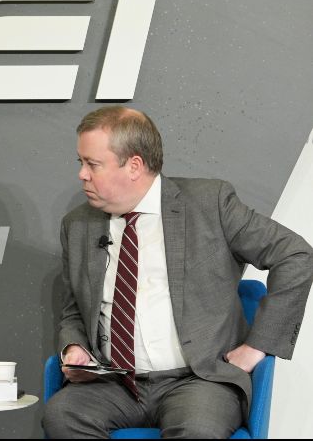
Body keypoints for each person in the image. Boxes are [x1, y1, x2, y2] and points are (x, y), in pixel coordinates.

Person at [43, 106, 313, 438]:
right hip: (115, 383)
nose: (82, 174)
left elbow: (296, 255)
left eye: (93, 164)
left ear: (134, 166)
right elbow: (74, 310)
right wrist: (75, 348)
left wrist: (257, 346)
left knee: (197, 429)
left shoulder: (209, 204)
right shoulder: (78, 225)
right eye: (81, 163)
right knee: (62, 416)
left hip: (197, 380)